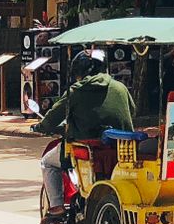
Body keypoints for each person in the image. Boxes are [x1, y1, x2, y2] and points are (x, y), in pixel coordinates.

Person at [33, 49, 137, 215]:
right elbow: (132, 111)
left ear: (79, 72)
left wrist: (40, 127)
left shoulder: (76, 91)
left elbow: (51, 119)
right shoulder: (120, 88)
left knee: (48, 162)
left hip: (86, 151)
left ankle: (57, 206)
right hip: (122, 151)